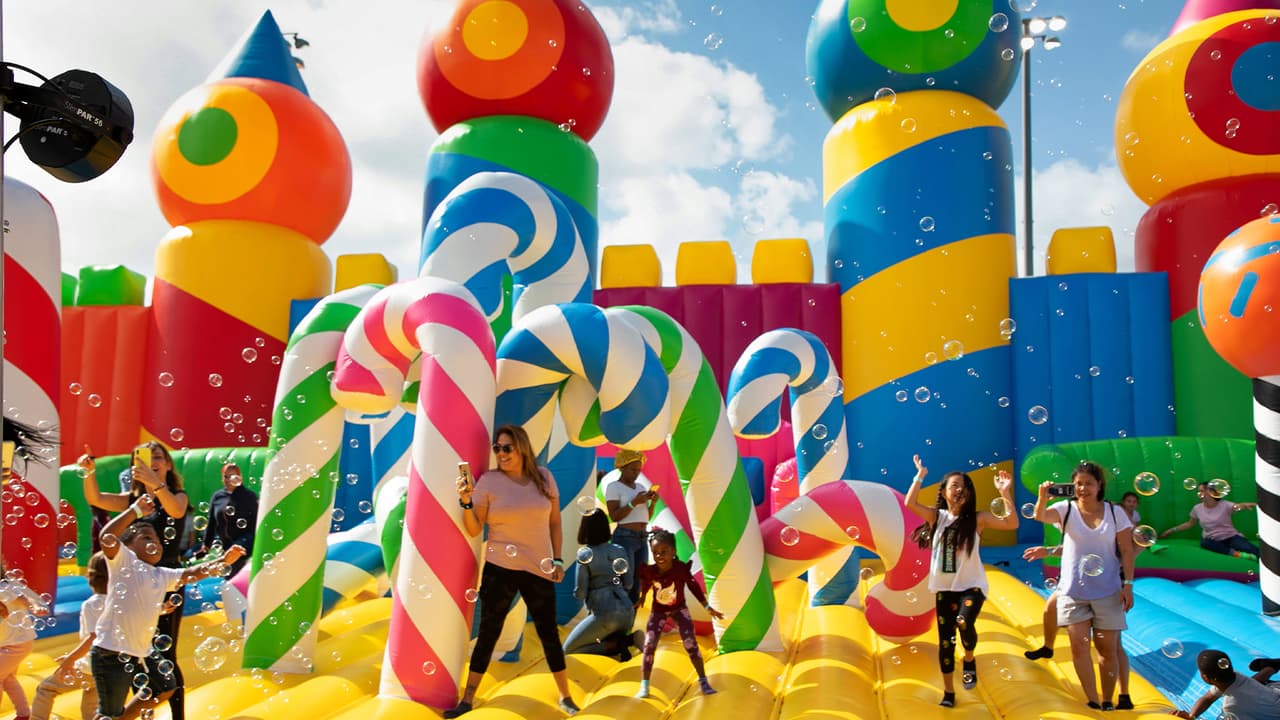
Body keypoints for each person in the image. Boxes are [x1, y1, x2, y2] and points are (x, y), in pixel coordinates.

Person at [448, 425, 578, 718]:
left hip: (538, 567)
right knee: (488, 634)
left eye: (507, 448)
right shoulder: (488, 482)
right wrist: (466, 500)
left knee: (548, 635)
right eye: (497, 448)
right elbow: (473, 528)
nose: (501, 454)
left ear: (521, 447)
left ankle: (566, 696)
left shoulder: (544, 477)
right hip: (500, 568)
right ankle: (467, 700)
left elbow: (555, 523)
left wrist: (558, 560)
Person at [92, 494, 243, 720]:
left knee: (165, 684)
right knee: (109, 712)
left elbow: (192, 574)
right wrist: (135, 509)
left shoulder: (161, 574)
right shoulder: (124, 561)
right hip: (111, 651)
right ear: (128, 546)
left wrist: (223, 562)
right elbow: (107, 537)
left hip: (139, 651)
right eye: (146, 537)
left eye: (158, 540)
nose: (156, 543)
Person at [81, 442, 191, 720]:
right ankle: (137, 715)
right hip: (130, 581)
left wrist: (154, 482)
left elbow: (176, 511)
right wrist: (88, 472)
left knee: (166, 656)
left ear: (168, 464)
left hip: (164, 581)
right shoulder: (134, 501)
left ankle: (178, 716)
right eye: (144, 458)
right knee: (130, 650)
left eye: (158, 457)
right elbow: (95, 499)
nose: (152, 461)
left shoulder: (176, 495)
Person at [904, 455, 1017, 708]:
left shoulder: (978, 519)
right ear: (943, 492)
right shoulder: (937, 517)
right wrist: (920, 475)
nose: (960, 490)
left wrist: (1005, 492)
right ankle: (948, 692)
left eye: (964, 486)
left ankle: (968, 659)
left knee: (964, 621)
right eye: (954, 485)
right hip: (945, 589)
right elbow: (910, 502)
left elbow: (1012, 523)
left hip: (972, 586)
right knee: (945, 641)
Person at [1034, 461, 1135, 710]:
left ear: (1099, 485)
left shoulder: (1115, 513)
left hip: (1108, 591)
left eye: (1088, 483)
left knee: (1107, 651)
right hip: (1073, 592)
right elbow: (1039, 515)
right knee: (1079, 646)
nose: (1082, 488)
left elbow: (1126, 550)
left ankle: (1109, 700)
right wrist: (1042, 496)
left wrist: (1128, 584)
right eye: (1078, 483)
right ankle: (1092, 699)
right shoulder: (1064, 509)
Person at [633, 528, 724, 699]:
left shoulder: (680, 569)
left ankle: (703, 681)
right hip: (659, 611)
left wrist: (707, 606)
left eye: (664, 552)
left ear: (673, 551)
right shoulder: (651, 571)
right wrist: (642, 598)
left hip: (679, 609)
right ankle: (644, 686)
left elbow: (693, 587)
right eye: (655, 553)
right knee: (649, 644)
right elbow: (646, 583)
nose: (659, 556)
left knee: (690, 644)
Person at [31, 552, 108, 720]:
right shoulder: (117, 602)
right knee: (91, 707)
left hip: (89, 666)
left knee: (46, 689)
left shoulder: (92, 604)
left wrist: (70, 660)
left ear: (90, 577)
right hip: (107, 667)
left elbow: (93, 637)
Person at [562, 509, 643, 660]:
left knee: (568, 650)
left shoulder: (585, 554)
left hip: (605, 614)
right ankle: (624, 641)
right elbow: (629, 583)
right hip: (627, 613)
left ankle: (623, 643)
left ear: (584, 528)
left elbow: (580, 591)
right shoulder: (619, 550)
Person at [189, 462, 258, 576]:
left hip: (244, 542)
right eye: (225, 476)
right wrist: (206, 544)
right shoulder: (218, 496)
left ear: (239, 477)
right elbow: (211, 522)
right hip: (225, 543)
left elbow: (255, 522)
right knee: (226, 570)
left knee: (235, 564)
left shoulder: (248, 496)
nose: (228, 480)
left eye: (232, 476)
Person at [604, 449, 655, 604]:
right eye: (633, 469)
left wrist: (652, 503)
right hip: (624, 537)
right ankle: (619, 619)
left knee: (638, 582)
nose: (637, 473)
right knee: (626, 581)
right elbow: (614, 516)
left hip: (642, 538)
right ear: (622, 468)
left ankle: (629, 622)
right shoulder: (614, 486)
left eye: (639, 470)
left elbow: (646, 516)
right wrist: (634, 503)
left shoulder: (640, 487)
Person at [1159, 481, 1259, 559]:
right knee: (1205, 543)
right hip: (1212, 540)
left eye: (1202, 491)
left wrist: (1245, 505)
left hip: (1230, 537)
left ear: (1211, 492)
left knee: (1252, 549)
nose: (1199, 493)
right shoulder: (1197, 508)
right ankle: (1236, 554)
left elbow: (1237, 506)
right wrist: (1170, 531)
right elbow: (1189, 524)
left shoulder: (1225, 505)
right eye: (1199, 491)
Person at [1171, 651, 1280, 719]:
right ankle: (1271, 667)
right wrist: (1191, 716)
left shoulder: (1231, 706)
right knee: (1253, 684)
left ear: (1206, 678)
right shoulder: (1232, 676)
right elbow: (1208, 698)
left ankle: (1270, 668)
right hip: (1275, 694)